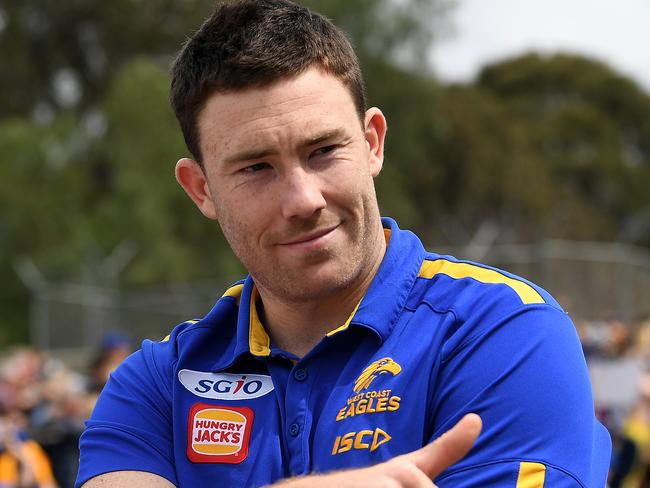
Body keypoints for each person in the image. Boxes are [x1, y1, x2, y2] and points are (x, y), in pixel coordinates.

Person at [75, 1, 611, 486]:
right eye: (256, 167)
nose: (303, 198)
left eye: (324, 150)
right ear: (201, 190)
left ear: (373, 142)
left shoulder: (503, 331)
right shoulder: (156, 384)